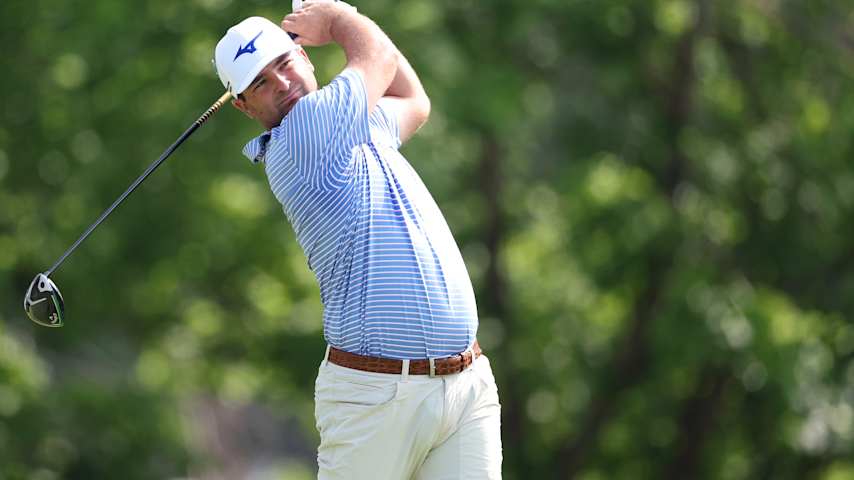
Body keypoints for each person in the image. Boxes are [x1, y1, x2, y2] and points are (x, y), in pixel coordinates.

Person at [214, 2, 502, 478]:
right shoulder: (303, 136)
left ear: (304, 59)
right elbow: (379, 57)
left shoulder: (354, 126)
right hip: (376, 397)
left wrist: (344, 19)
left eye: (284, 65)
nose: (282, 85)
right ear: (243, 106)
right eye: (260, 83)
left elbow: (414, 100)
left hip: (464, 385)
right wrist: (336, 18)